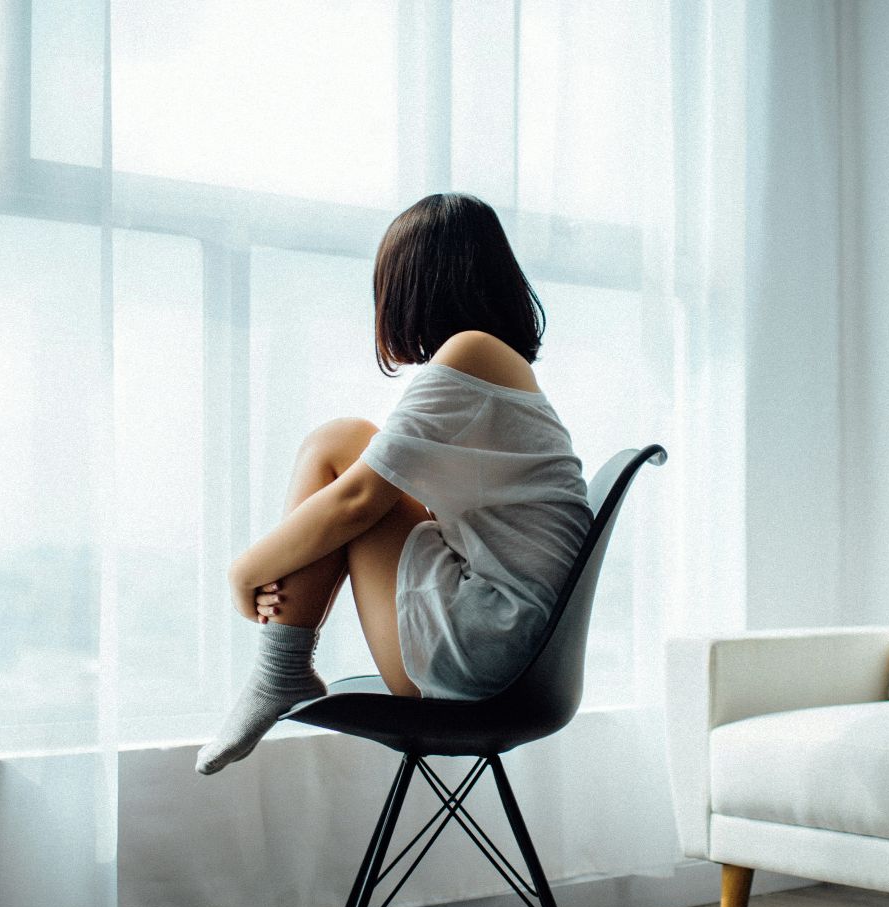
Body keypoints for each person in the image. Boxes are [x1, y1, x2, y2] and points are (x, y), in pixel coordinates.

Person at [196, 192, 592, 775]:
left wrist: (244, 570)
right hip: (513, 648)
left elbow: (358, 502)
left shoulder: (472, 353)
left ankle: (279, 670)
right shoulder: (498, 366)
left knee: (337, 447)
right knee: (348, 444)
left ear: (414, 286)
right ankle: (280, 669)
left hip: (485, 653)